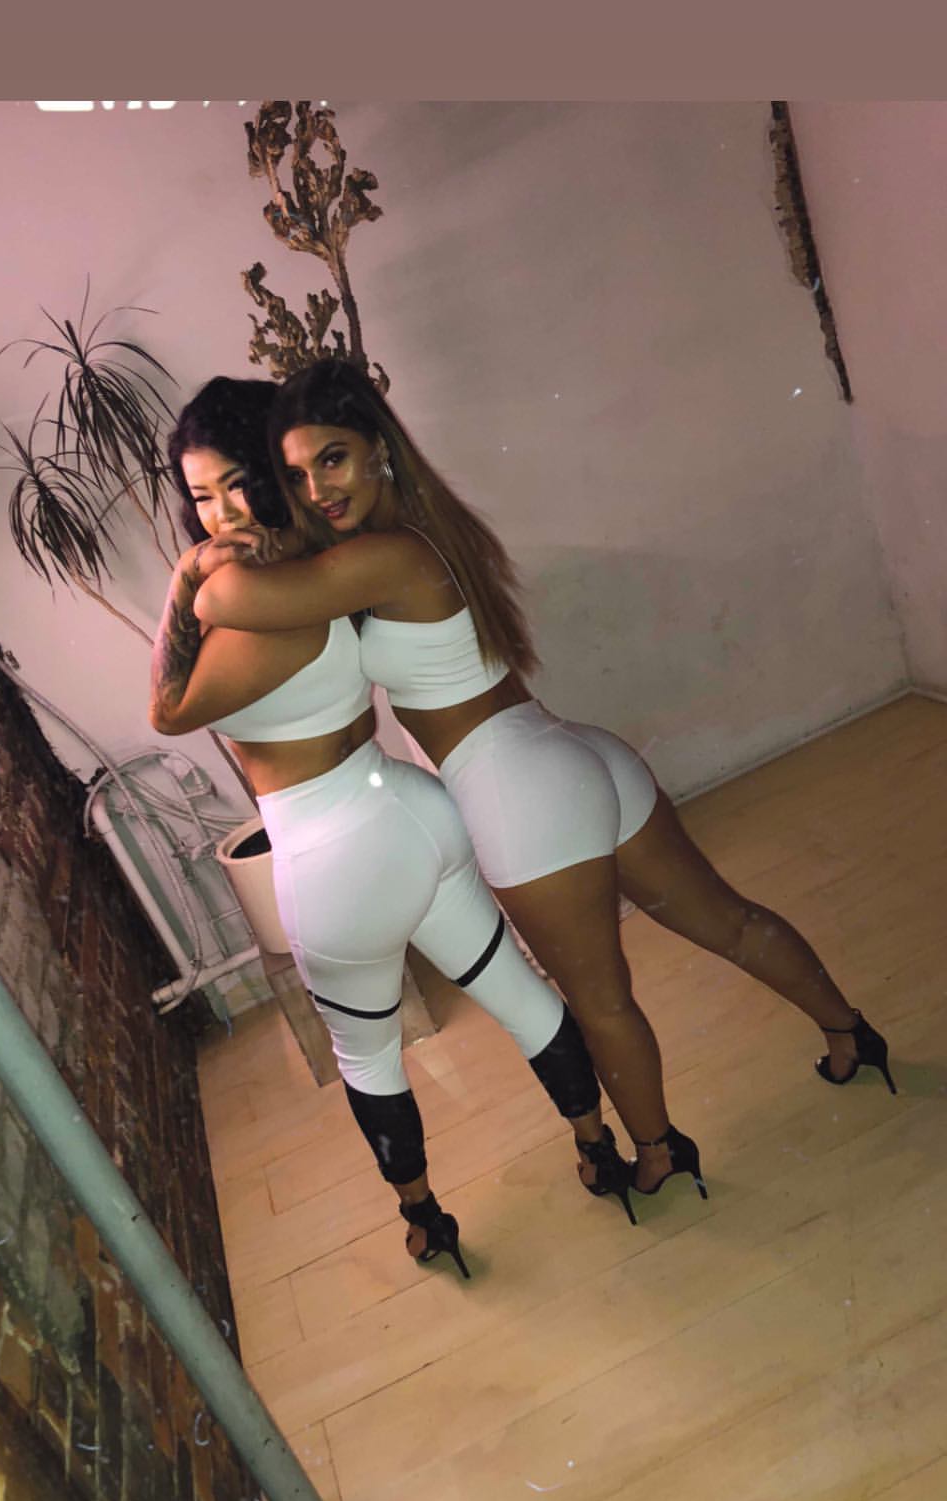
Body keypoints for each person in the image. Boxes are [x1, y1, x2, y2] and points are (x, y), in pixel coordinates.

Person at [191, 359, 896, 1211]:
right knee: (729, 920)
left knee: (602, 1004)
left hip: (520, 795)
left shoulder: (382, 556)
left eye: (331, 459)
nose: (316, 490)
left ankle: (659, 1154)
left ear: (378, 448)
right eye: (298, 474)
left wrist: (196, 567)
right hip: (573, 754)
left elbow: (222, 602)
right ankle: (851, 1032)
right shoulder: (426, 529)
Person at [149, 376, 639, 1282]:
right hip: (413, 813)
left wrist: (185, 578)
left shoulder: (250, 604)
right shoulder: (331, 571)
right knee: (519, 994)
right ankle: (596, 1147)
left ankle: (425, 1221)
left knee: (368, 1056)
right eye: (199, 497)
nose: (218, 515)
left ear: (270, 473)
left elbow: (167, 707)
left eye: (234, 486)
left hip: (330, 857)